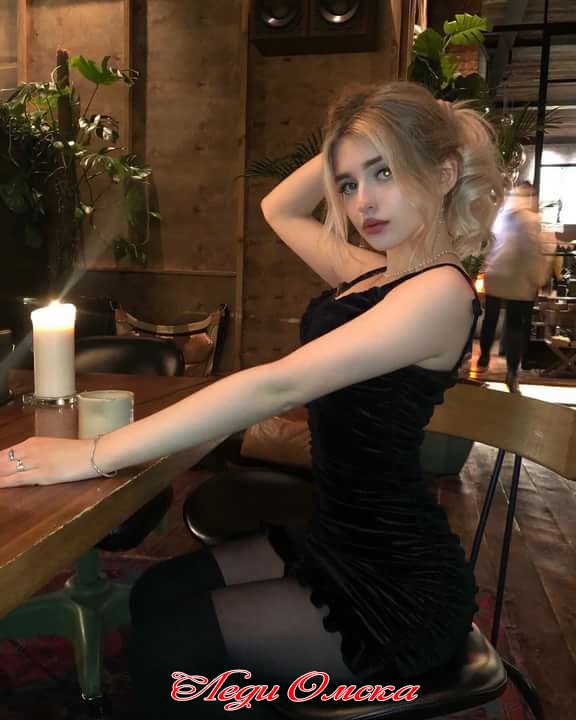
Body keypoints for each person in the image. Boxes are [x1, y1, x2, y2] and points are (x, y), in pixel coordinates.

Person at [0, 81, 503, 717]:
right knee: (156, 595)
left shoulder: (440, 292)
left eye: (386, 172)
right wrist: (350, 132)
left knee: (175, 643)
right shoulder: (376, 273)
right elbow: (279, 208)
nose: (363, 201)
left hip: (396, 586)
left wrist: (92, 452)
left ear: (444, 173)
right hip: (338, 538)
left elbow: (278, 383)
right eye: (348, 183)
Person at [477, 181, 551, 392]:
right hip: (518, 278)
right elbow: (533, 251)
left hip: (496, 273)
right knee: (515, 325)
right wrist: (538, 278)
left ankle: (483, 357)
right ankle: (511, 371)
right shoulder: (531, 219)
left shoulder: (502, 216)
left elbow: (490, 243)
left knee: (490, 318)